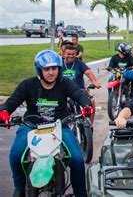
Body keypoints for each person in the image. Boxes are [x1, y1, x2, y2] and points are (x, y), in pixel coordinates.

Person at [0, 50, 93, 197]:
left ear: (59, 69)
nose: (51, 72)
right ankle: (19, 188)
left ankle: (80, 193)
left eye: (54, 68)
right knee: (16, 156)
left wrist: (86, 105)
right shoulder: (28, 85)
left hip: (59, 126)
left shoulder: (65, 83)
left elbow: (79, 94)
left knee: (76, 159)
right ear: (39, 70)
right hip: (31, 127)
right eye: (46, 69)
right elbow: (11, 102)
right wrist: (4, 113)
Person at [63, 45, 101, 126]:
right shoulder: (59, 64)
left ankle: (90, 125)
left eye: (73, 54)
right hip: (63, 91)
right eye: (68, 54)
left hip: (78, 90)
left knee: (91, 102)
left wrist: (94, 82)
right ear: (63, 54)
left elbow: (88, 72)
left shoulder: (79, 63)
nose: (71, 56)